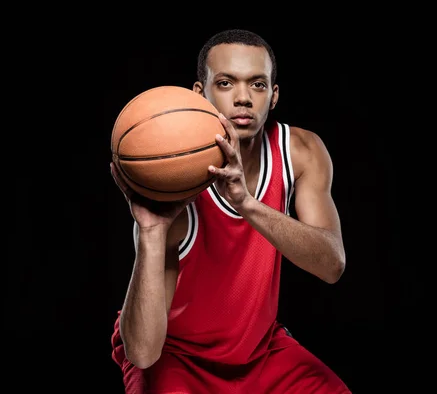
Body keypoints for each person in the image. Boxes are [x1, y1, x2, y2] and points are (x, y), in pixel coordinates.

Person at [110, 28, 351, 393]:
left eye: (257, 85)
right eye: (225, 83)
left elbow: (332, 265)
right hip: (176, 356)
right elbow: (143, 352)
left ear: (273, 96)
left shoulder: (300, 151)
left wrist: (247, 204)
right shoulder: (171, 183)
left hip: (259, 351)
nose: (242, 98)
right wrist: (150, 231)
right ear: (199, 93)